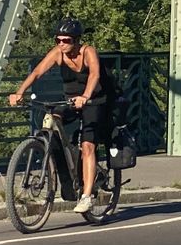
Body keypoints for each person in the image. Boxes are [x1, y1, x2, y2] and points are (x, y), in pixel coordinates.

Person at [7, 18, 113, 214]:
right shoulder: (58, 54)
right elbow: (38, 71)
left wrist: (85, 96)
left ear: (76, 40)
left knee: (88, 146)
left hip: (94, 100)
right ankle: (65, 160)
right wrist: (19, 91)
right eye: (58, 40)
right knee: (52, 119)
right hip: (71, 101)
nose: (62, 44)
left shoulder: (88, 52)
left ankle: (87, 196)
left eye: (66, 40)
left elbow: (94, 75)